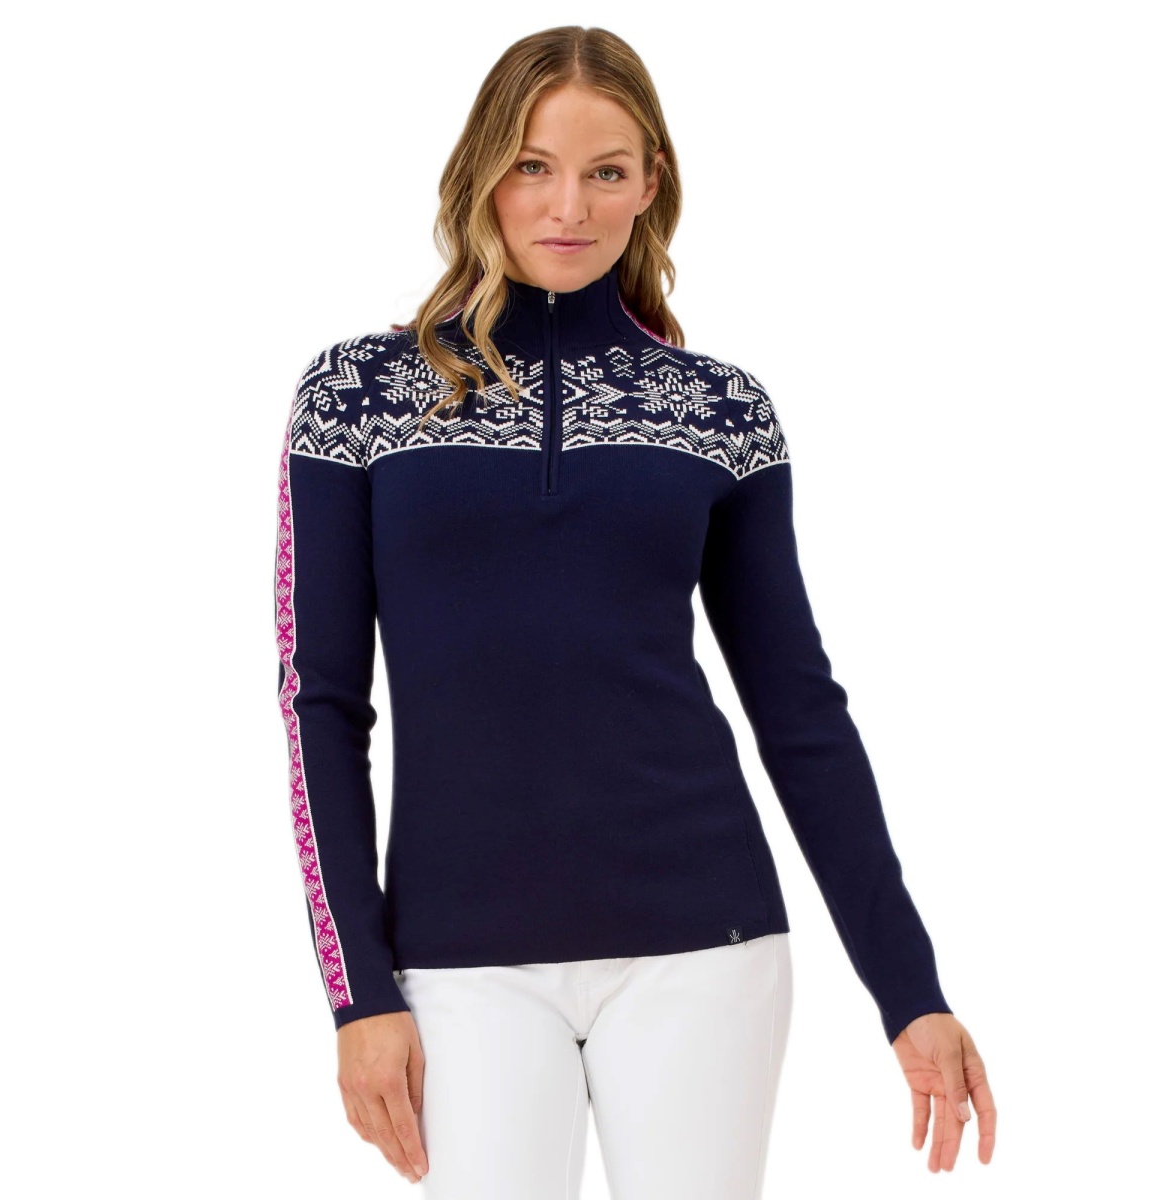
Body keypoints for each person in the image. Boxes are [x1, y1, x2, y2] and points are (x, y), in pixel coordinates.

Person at [273, 24, 996, 1198]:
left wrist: (908, 990)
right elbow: (321, 704)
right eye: (534, 166)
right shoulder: (358, 395)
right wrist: (358, 993)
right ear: (481, 172)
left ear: (651, 183)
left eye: (606, 171)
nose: (569, 206)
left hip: (705, 946)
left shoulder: (720, 411)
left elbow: (799, 711)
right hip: (455, 962)